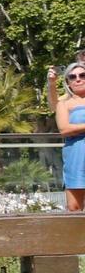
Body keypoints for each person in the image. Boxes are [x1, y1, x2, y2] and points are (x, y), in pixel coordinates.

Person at [49, 61, 85, 212]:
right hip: (76, 157)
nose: (78, 79)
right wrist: (51, 83)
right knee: (74, 208)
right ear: (68, 83)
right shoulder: (64, 104)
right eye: (72, 76)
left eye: (82, 75)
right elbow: (64, 129)